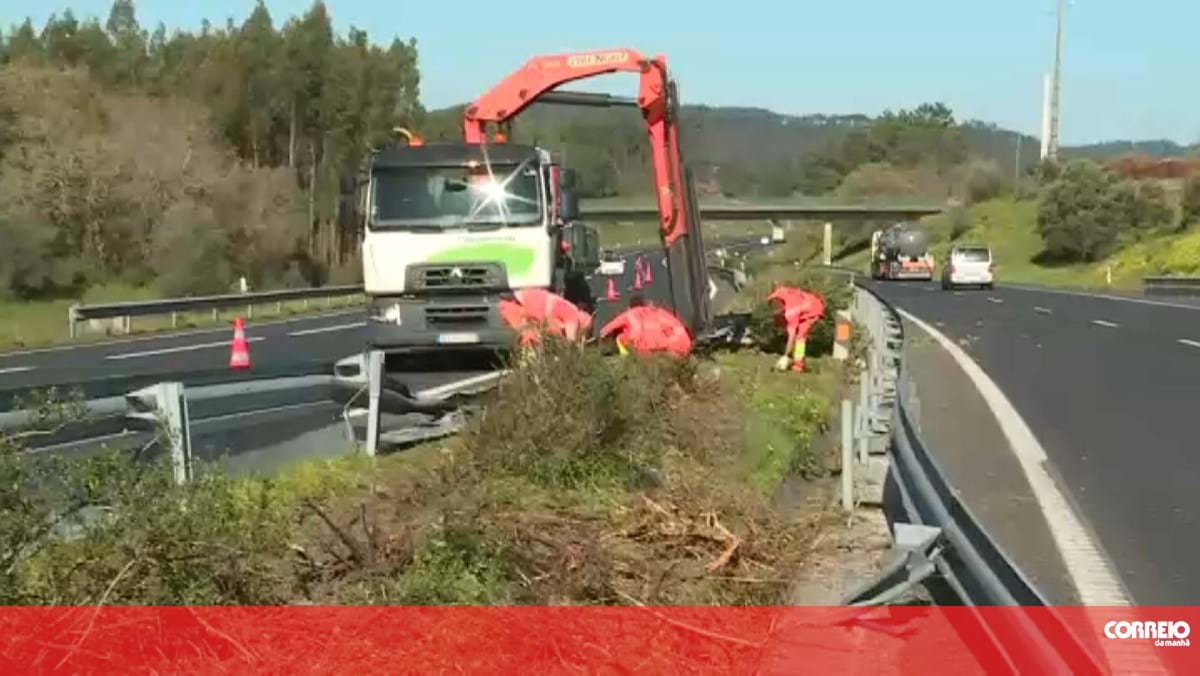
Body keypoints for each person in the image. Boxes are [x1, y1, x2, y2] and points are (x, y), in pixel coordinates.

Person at [600, 296, 692, 359]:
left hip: (644, 346)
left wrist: (602, 335)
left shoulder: (630, 314)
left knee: (620, 339)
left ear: (630, 307)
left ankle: (626, 358)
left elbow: (606, 330)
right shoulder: (655, 312)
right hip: (670, 344)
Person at [767, 285, 825, 373]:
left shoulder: (791, 312)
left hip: (813, 309)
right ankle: (797, 358)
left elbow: (791, 338)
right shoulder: (777, 294)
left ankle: (798, 365)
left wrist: (785, 356)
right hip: (804, 302)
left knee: (800, 337)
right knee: (793, 332)